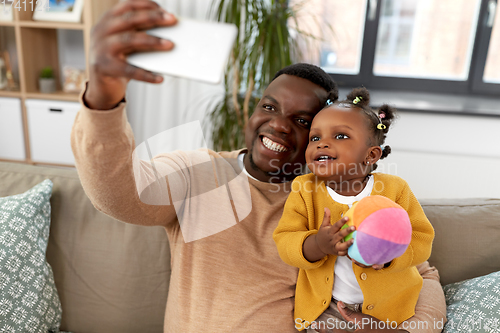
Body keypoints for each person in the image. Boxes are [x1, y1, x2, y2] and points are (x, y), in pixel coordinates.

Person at [71, 1, 447, 331]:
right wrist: (103, 97)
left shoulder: (329, 198)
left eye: (303, 122)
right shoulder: (199, 174)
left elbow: (422, 273)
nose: (279, 124)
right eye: (269, 107)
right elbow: (118, 194)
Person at [273, 87, 435, 332]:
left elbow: (421, 239)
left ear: (371, 155)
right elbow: (285, 240)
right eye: (315, 138)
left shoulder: (394, 189)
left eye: (340, 136)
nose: (322, 144)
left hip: (392, 308)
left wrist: (388, 258)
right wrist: (317, 245)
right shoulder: (304, 190)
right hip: (327, 308)